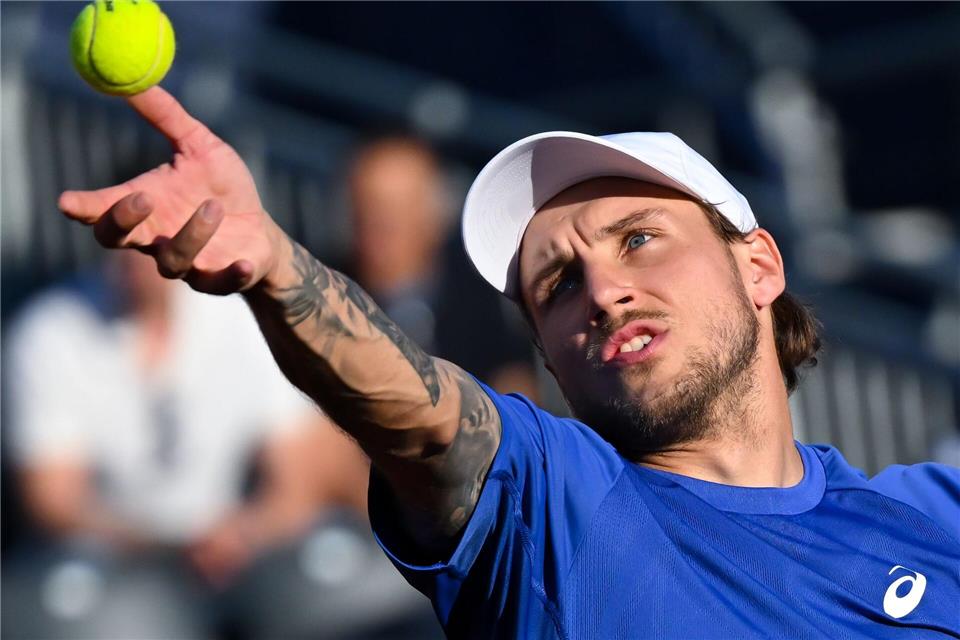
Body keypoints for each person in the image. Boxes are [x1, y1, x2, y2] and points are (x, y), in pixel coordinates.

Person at [56, 88, 958, 639]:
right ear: (553, 363)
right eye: (559, 286)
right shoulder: (553, 507)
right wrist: (275, 266)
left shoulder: (934, 516)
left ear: (758, 264)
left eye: (638, 239)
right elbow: (423, 415)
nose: (603, 291)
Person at [4, 249, 365, 638]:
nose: (141, 258)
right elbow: (54, 502)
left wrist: (245, 532)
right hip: (115, 575)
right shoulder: (51, 333)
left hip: (243, 563)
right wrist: (166, 545)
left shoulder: (241, 318)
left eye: (154, 241)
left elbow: (298, 479)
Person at [347, 135, 539, 398]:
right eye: (370, 205)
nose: (381, 222)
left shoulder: (482, 293)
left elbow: (516, 389)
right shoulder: (328, 299)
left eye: (399, 207)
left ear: (435, 215)